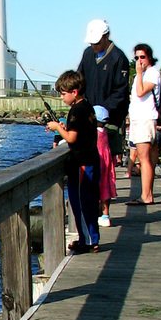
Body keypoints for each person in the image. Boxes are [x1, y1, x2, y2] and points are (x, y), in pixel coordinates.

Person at [46, 70, 100, 253]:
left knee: (80, 203)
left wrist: (56, 128)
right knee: (89, 201)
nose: (62, 97)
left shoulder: (76, 110)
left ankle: (88, 241)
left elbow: (71, 138)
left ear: (74, 92)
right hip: (91, 159)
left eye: (63, 93)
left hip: (82, 164)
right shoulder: (87, 106)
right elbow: (78, 132)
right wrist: (64, 128)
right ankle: (90, 238)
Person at [77, 19, 130, 162]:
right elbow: (79, 78)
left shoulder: (118, 58)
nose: (94, 46)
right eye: (91, 43)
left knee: (106, 159)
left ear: (106, 37)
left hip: (110, 118)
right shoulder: (88, 54)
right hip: (89, 115)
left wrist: (104, 109)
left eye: (97, 43)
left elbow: (121, 90)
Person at [127, 42, 161, 206]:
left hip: (145, 120)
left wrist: (139, 74)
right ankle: (147, 193)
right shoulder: (141, 75)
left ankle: (146, 196)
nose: (139, 61)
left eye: (142, 57)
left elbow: (141, 92)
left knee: (144, 158)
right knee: (145, 158)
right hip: (138, 120)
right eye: (136, 57)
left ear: (149, 57)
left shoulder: (152, 73)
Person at [94, 105, 116, 228]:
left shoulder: (94, 133)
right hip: (107, 164)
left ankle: (96, 214)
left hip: (98, 163)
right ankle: (105, 215)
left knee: (95, 189)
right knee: (105, 188)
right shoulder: (105, 132)